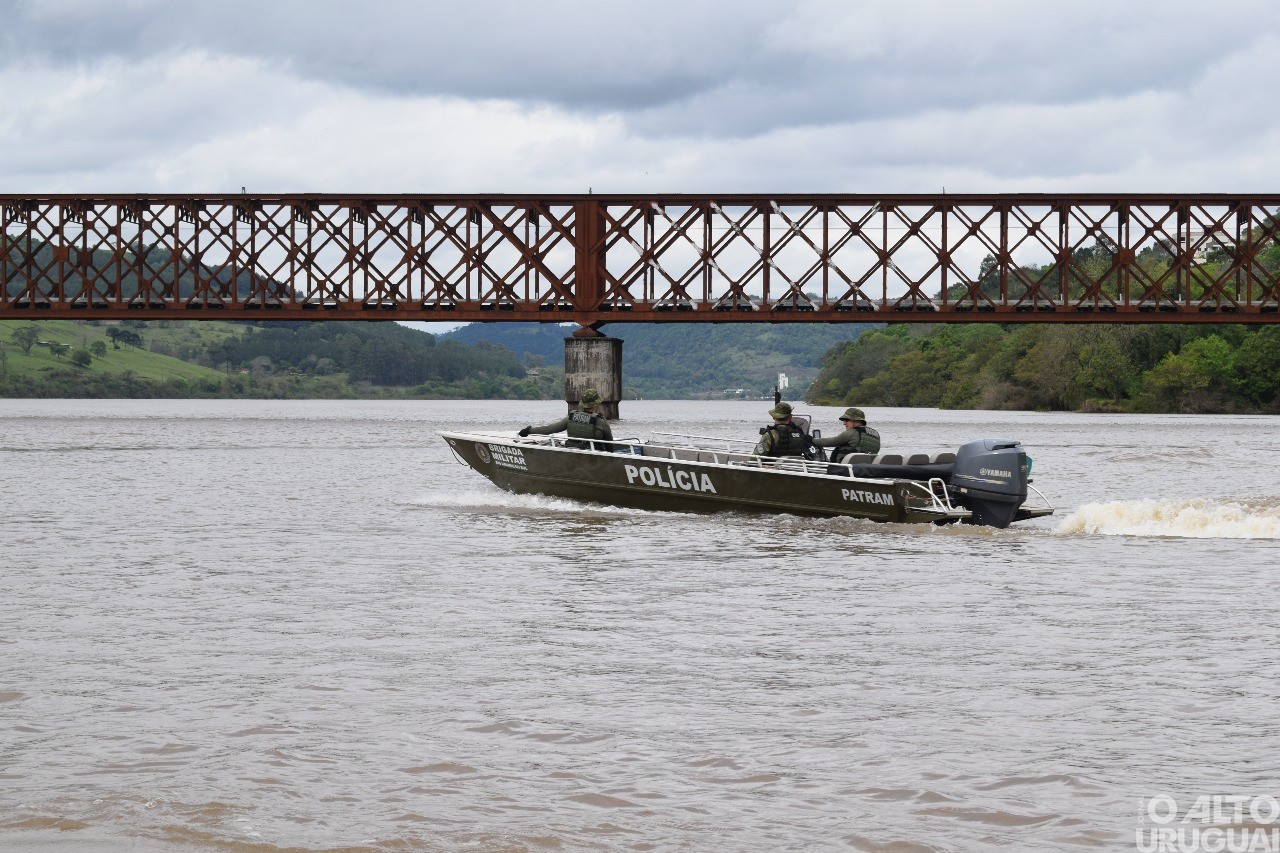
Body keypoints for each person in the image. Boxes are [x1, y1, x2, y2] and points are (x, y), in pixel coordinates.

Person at [518, 388, 614, 450]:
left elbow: (549, 429)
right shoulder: (601, 422)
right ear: (596, 404)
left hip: (571, 452)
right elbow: (610, 447)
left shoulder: (571, 418)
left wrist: (528, 431)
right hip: (594, 457)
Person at [813, 407, 881, 462]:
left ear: (856, 420)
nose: (844, 423)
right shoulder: (875, 434)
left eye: (847, 420)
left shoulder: (852, 433)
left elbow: (830, 442)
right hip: (865, 469)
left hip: (846, 470)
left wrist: (811, 439)